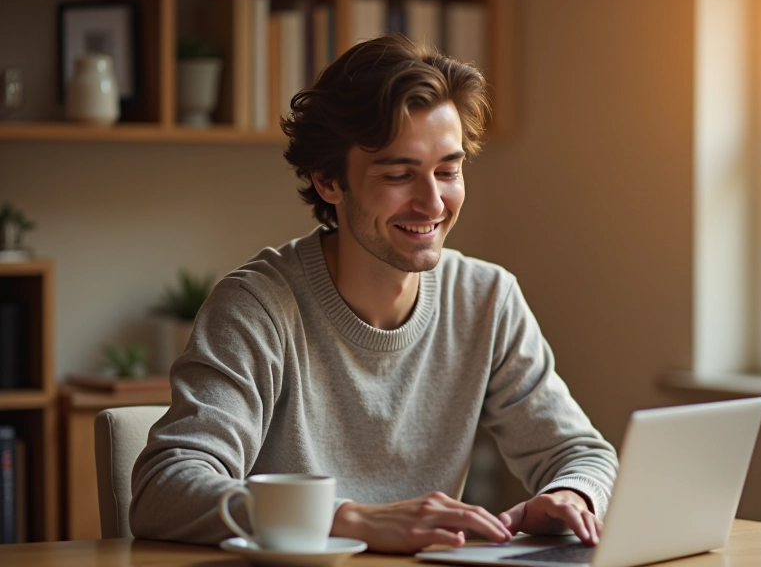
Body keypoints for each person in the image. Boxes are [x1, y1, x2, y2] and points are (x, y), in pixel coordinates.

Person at [129, 34, 618, 554]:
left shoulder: (486, 299)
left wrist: (572, 495)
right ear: (327, 181)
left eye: (448, 170)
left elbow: (581, 453)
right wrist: (351, 521)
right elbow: (164, 489)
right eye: (400, 174)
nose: (432, 202)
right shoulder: (256, 308)